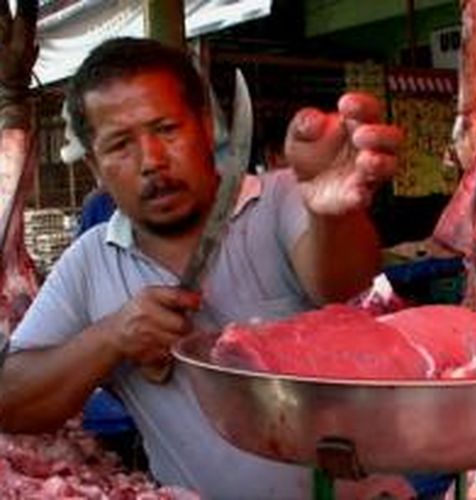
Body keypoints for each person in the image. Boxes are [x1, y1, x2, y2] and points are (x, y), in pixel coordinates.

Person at [0, 10, 403, 498]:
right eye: (121, 145)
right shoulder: (90, 262)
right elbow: (11, 398)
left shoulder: (280, 198)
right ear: (95, 167)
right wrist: (111, 337)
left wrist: (333, 217)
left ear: (207, 126)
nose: (151, 161)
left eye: (167, 129)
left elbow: (341, 282)